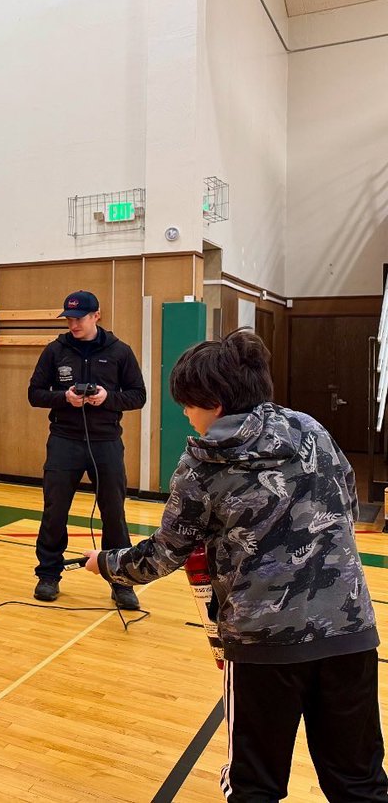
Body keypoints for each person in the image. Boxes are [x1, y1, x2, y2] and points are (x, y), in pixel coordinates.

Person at [85, 330, 387, 802]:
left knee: (254, 786)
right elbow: (346, 501)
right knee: (360, 784)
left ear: (215, 403)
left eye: (188, 404)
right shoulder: (310, 429)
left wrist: (107, 563)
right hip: (349, 631)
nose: (185, 414)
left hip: (262, 645)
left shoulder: (201, 463)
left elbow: (165, 553)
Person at [27, 290, 146, 609]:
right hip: (64, 440)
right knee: (54, 510)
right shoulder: (55, 351)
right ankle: (48, 575)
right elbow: (35, 393)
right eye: (69, 319)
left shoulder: (120, 351)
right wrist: (64, 398)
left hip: (106, 442)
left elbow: (138, 395)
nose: (73, 324)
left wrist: (108, 398)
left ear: (96, 316)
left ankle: (121, 581)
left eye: (79, 319)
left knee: (114, 513)